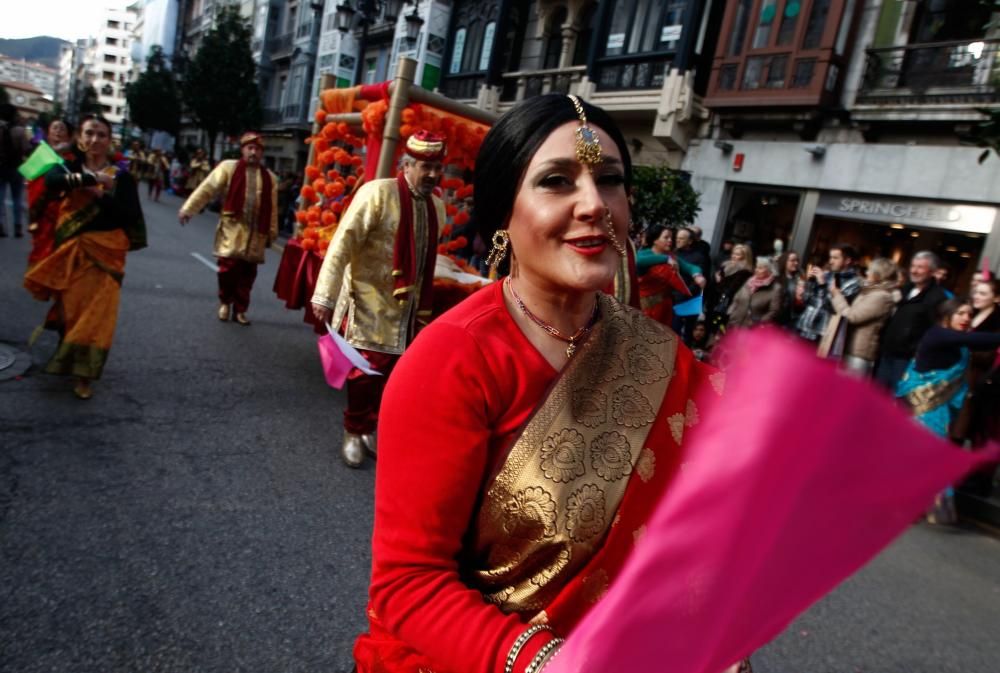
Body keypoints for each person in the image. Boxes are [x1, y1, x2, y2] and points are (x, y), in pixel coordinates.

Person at [349, 93, 746, 673]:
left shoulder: (656, 351)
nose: (594, 205)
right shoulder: (453, 361)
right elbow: (408, 585)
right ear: (503, 214)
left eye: (609, 180)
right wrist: (547, 663)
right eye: (557, 181)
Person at [309, 130, 447, 468]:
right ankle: (353, 431)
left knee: (395, 376)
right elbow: (342, 244)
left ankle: (369, 427)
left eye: (437, 168)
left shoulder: (438, 207)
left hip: (409, 308)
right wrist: (324, 294)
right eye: (424, 167)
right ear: (407, 165)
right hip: (367, 299)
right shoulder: (376, 194)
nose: (432, 175)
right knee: (365, 372)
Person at [22, 114, 146, 400]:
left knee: (97, 317)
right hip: (72, 251)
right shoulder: (69, 164)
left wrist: (96, 192)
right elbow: (52, 181)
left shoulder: (122, 176)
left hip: (106, 253)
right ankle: (69, 354)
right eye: (89, 133)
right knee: (71, 312)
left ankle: (85, 372)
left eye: (101, 134)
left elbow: (128, 215)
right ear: (80, 137)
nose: (95, 139)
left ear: (109, 140)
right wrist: (90, 178)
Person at [897, 298, 1000, 523]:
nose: (966, 319)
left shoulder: (955, 340)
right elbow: (979, 340)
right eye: (961, 313)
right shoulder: (939, 334)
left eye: (969, 315)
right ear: (947, 315)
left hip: (938, 405)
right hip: (924, 405)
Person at [178, 132, 278, 326]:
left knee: (248, 275)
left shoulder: (270, 178)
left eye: (257, 149)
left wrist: (272, 232)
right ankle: (225, 302)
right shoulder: (228, 168)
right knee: (228, 270)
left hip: (256, 233)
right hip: (233, 229)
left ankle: (240, 310)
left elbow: (272, 208)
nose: (253, 152)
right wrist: (189, 209)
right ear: (242, 150)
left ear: (262, 153)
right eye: (250, 148)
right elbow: (207, 188)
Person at [874, 251, 950, 391]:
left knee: (896, 401)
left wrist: (916, 353)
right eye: (913, 266)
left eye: (920, 267)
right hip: (887, 354)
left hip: (907, 361)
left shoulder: (937, 298)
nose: (914, 271)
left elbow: (934, 331)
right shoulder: (905, 289)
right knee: (877, 397)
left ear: (932, 271)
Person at [820, 257, 898, 375]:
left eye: (870, 270)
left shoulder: (881, 296)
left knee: (847, 391)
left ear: (879, 274)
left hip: (858, 354)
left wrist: (836, 294)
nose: (866, 273)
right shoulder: (870, 291)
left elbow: (852, 316)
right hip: (849, 349)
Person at [951, 279, 1000, 446]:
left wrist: (962, 346)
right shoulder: (969, 313)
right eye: (976, 292)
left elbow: (989, 356)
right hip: (954, 373)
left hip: (974, 379)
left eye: (983, 293)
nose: (976, 296)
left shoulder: (997, 322)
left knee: (961, 428)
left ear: (996, 298)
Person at [26, 118, 75, 266]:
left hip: (62, 208)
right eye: (55, 128)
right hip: (41, 207)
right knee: (40, 242)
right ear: (48, 133)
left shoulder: (72, 158)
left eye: (62, 129)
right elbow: (30, 177)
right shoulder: (41, 153)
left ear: (68, 135)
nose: (58, 131)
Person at [795, 243, 862, 344]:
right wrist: (809, 283)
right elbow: (806, 300)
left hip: (822, 333)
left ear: (847, 261)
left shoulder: (853, 283)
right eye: (830, 257)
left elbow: (833, 308)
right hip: (803, 325)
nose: (830, 261)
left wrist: (822, 285)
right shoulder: (826, 274)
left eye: (835, 258)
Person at [635, 224, 700, 327]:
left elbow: (691, 267)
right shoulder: (644, 254)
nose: (670, 240)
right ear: (655, 240)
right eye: (666, 237)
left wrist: (697, 275)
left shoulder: (671, 257)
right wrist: (665, 259)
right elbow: (638, 261)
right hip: (646, 308)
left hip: (665, 308)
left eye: (671, 237)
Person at [727, 256, 784, 328]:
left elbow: (774, 311)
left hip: (751, 330)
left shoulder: (776, 288)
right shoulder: (749, 281)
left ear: (770, 271)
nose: (756, 270)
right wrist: (729, 314)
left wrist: (758, 323)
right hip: (733, 324)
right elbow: (736, 299)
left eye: (760, 268)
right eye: (756, 267)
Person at [0, 103, 31, 238]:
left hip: (0, 167)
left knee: (0, 198)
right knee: (17, 198)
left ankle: (1, 226)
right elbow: (26, 149)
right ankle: (17, 226)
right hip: (16, 168)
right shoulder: (20, 131)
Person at [711, 243, 754, 333]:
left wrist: (720, 280)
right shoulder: (726, 266)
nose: (734, 256)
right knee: (712, 324)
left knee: (720, 326)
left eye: (738, 254)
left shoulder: (744, 271)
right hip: (716, 298)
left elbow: (732, 288)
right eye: (733, 253)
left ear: (744, 256)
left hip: (729, 303)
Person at [774, 251, 804, 328]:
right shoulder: (777, 278)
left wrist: (799, 299)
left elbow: (800, 304)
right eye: (792, 260)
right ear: (785, 262)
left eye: (797, 260)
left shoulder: (799, 279)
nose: (796, 263)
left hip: (790, 321)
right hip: (776, 319)